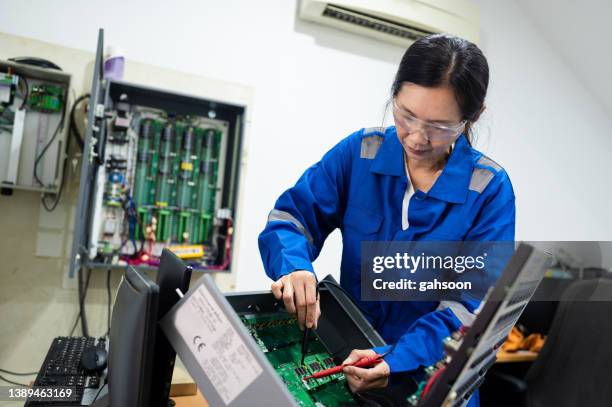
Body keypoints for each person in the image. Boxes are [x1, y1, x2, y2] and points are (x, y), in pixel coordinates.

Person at [258, 34, 515, 405]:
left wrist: (395, 360)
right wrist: (294, 267)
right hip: (349, 371)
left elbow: (468, 309)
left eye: (439, 126)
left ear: (473, 117)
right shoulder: (361, 153)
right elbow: (291, 218)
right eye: (406, 115)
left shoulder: (488, 190)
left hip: (428, 384)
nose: (416, 137)